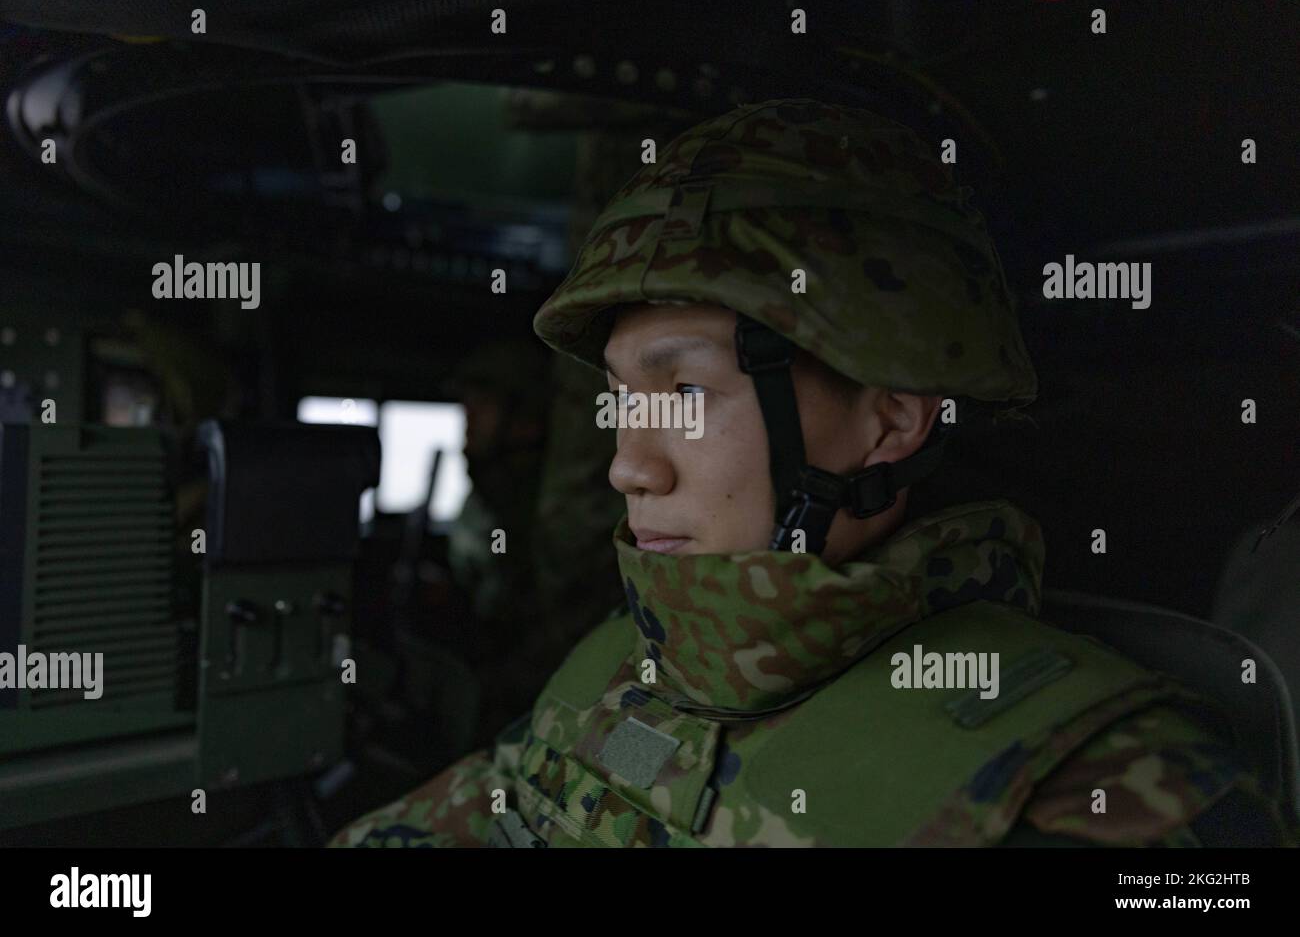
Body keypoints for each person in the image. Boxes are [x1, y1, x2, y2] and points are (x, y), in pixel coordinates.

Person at [329, 99, 1297, 847]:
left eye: (687, 391)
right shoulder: (620, 663)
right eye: (622, 395)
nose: (629, 462)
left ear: (891, 419)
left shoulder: (1117, 784)